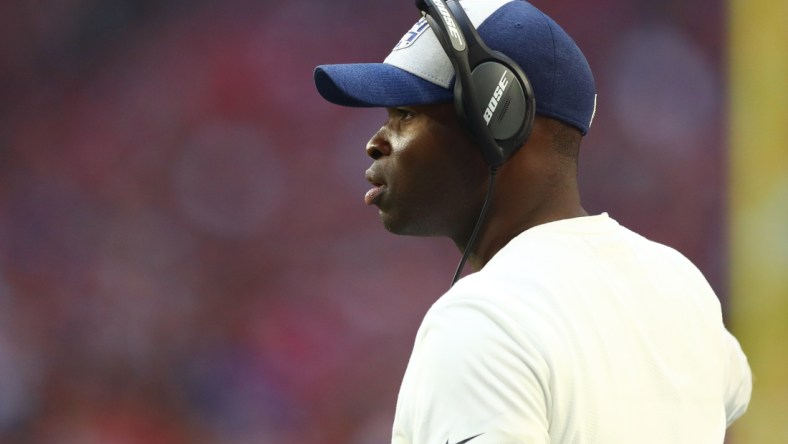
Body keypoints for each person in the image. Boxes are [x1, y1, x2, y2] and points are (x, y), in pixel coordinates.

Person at [313, 0, 752, 442]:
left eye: (404, 115)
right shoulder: (678, 282)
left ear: (498, 118)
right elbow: (734, 389)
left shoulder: (483, 319)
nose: (375, 143)